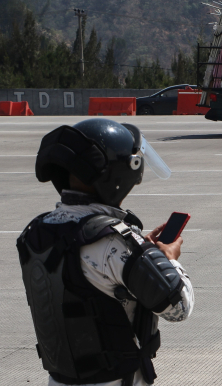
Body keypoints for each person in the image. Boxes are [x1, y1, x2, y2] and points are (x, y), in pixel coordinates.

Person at [16, 119, 195, 386]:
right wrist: (168, 259)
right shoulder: (114, 242)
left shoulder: (37, 230)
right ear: (120, 177)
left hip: (60, 378)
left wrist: (141, 250)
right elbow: (177, 307)